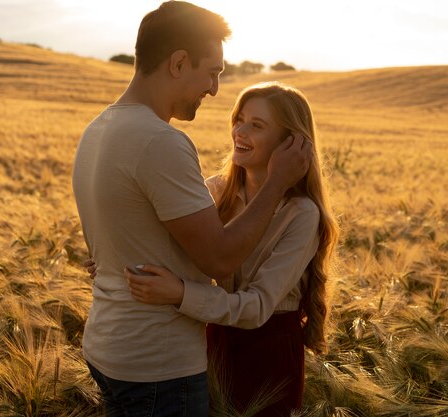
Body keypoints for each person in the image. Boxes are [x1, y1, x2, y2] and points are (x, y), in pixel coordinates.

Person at [72, 2, 311, 416]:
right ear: (179, 62)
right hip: (157, 363)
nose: (215, 88)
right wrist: (277, 182)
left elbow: (132, 237)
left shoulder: (98, 129)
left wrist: (116, 262)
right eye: (213, 72)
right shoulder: (160, 141)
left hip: (109, 346)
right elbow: (219, 258)